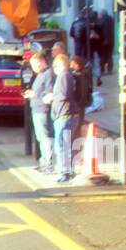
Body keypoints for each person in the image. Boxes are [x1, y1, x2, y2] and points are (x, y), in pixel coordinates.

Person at [49, 53, 80, 183]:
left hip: (65, 116)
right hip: (66, 116)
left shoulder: (64, 75)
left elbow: (64, 94)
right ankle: (69, 171)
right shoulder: (66, 75)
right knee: (65, 145)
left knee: (62, 146)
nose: (53, 68)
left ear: (60, 64)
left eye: (54, 65)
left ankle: (65, 173)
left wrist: (52, 97)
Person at [27, 53, 55, 174]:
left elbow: (49, 93)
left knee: (45, 138)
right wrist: (31, 94)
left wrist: (34, 94)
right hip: (37, 109)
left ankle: (48, 164)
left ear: (41, 61)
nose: (33, 67)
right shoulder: (40, 75)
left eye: (35, 64)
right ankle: (44, 162)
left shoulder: (48, 74)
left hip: (43, 110)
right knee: (40, 138)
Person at [95, 9, 114, 81]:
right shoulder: (111, 19)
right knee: (109, 55)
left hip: (103, 41)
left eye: (99, 15)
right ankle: (110, 70)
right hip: (111, 41)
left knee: (102, 56)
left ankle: (102, 70)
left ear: (102, 14)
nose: (98, 16)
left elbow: (100, 31)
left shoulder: (101, 21)